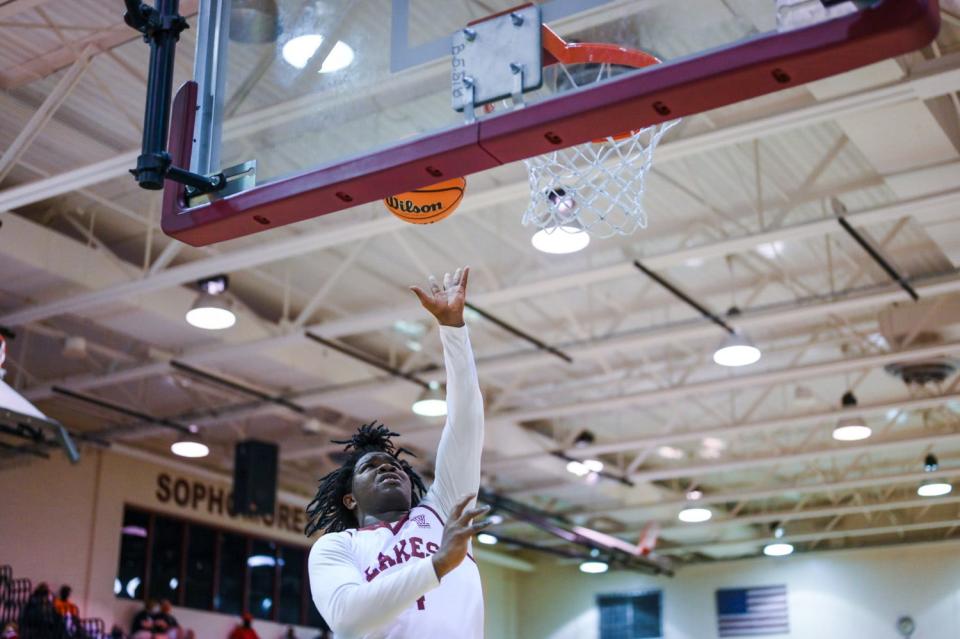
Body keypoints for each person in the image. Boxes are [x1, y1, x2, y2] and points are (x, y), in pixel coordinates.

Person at [306, 267, 489, 639]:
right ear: (349, 497)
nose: (388, 468)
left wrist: (453, 329)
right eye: (370, 467)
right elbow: (347, 618)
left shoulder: (441, 511)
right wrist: (436, 565)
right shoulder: (337, 547)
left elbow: (466, 421)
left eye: (394, 465)